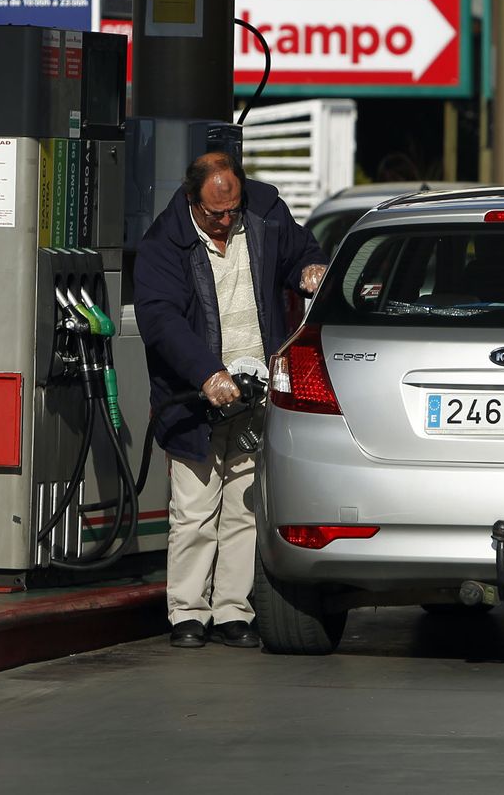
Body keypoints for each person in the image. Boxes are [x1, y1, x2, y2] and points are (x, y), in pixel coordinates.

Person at [134, 151, 327, 649]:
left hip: (256, 385)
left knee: (244, 505)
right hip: (194, 394)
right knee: (195, 508)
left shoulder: (263, 213)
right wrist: (207, 374)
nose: (225, 221)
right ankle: (187, 613)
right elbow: (161, 322)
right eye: (215, 213)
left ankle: (233, 612)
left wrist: (310, 268)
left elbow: (301, 250)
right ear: (192, 200)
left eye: (232, 211)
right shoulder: (164, 243)